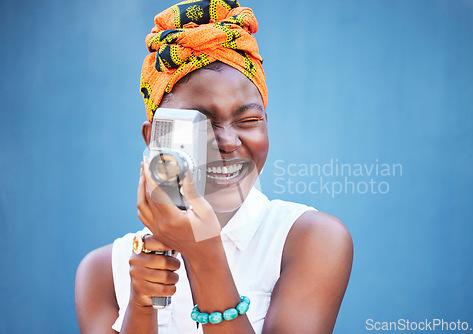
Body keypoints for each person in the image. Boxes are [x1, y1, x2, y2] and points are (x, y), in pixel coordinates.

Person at [75, 1, 353, 333]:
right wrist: (142, 303)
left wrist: (204, 252)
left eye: (249, 120)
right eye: (201, 123)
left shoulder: (310, 240)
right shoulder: (104, 272)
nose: (228, 142)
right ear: (154, 137)